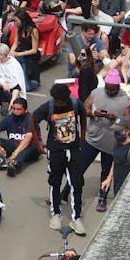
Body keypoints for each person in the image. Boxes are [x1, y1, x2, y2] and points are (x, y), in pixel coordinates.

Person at [32, 83, 88, 235]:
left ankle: (76, 217)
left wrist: (82, 136)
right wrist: (38, 142)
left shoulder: (76, 104)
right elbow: (33, 119)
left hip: (74, 150)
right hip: (56, 151)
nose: (59, 104)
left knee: (77, 183)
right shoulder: (48, 107)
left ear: (67, 98)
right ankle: (55, 213)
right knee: (55, 182)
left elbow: (83, 117)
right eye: (57, 101)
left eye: (62, 101)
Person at [82, 68, 130, 212]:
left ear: (118, 86)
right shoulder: (96, 93)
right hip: (92, 139)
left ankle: (102, 198)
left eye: (112, 90)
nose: (109, 92)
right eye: (108, 89)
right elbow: (83, 109)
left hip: (111, 144)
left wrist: (115, 118)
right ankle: (65, 192)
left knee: (106, 173)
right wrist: (93, 113)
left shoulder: (126, 100)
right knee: (79, 168)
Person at [0, 98, 39, 176]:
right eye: (14, 108)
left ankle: (14, 164)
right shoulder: (9, 118)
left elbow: (27, 140)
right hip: (15, 144)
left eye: (19, 109)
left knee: (27, 146)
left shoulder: (31, 120)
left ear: (26, 110)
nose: (15, 112)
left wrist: (14, 154)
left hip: (31, 149)